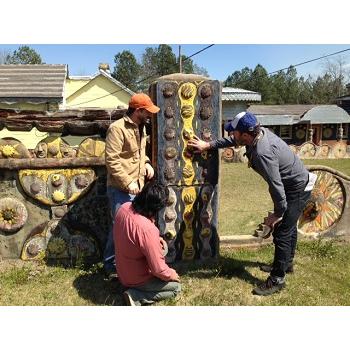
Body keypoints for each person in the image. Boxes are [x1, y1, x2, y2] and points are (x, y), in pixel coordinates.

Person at [188, 111, 317, 296]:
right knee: (288, 228)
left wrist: (278, 214)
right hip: (291, 185)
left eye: (235, 133)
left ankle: (277, 279)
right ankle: (286, 263)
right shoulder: (256, 134)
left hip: (297, 189)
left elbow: (276, 186)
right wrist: (208, 145)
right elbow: (234, 141)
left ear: (246, 134)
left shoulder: (263, 152)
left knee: (282, 231)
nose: (232, 136)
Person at [104, 93, 159, 279]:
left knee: (132, 229)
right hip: (121, 188)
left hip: (137, 186)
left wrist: (147, 163)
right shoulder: (117, 129)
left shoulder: (140, 127)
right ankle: (111, 266)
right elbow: (112, 160)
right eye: (147, 111)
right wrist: (127, 182)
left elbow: (139, 153)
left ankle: (130, 265)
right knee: (119, 228)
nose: (150, 115)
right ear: (138, 111)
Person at [114, 180, 181, 306]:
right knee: (176, 288)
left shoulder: (123, 208)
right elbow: (158, 270)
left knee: (162, 248)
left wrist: (154, 241)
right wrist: (171, 274)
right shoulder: (147, 230)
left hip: (122, 270)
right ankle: (136, 296)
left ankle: (130, 288)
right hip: (137, 278)